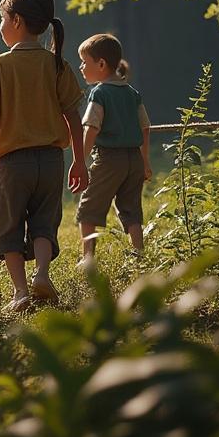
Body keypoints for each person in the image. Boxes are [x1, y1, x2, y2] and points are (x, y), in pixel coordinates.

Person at [0, 0, 87, 313]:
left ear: (17, 21)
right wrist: (79, 160)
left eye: (2, 19)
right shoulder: (57, 64)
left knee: (8, 225)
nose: (1, 26)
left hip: (12, 162)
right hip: (51, 161)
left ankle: (21, 291)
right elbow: (74, 118)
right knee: (44, 222)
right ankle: (43, 274)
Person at [75, 34, 151, 266]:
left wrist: (81, 160)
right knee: (131, 208)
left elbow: (91, 128)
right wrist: (145, 161)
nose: (81, 67)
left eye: (84, 62)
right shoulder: (132, 93)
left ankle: (88, 258)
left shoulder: (99, 93)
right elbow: (145, 128)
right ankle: (139, 253)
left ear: (101, 64)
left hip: (109, 160)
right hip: (134, 160)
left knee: (88, 208)